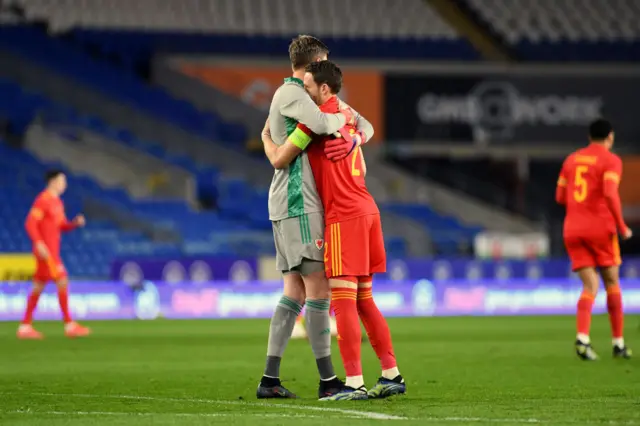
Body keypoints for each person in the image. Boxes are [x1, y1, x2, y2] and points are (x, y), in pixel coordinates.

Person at [262, 60, 405, 400]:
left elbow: (280, 158)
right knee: (365, 301)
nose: (303, 91)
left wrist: (267, 136)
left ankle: (353, 382)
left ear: (324, 89)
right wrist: (355, 137)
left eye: (308, 86)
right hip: (368, 210)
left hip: (343, 218)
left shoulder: (314, 124)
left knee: (341, 304)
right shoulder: (346, 115)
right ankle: (391, 374)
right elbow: (364, 127)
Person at [256, 35, 370, 400]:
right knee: (318, 289)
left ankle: (270, 380)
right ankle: (327, 381)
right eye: (323, 62)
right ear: (314, 61)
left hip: (293, 204)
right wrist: (346, 118)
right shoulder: (292, 94)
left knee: (294, 290)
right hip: (298, 204)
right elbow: (323, 124)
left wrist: (354, 134)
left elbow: (364, 126)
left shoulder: (305, 96)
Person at [556, 118, 632, 360]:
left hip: (572, 229)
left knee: (589, 286)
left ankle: (583, 339)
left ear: (589, 137)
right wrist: (621, 226)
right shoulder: (611, 161)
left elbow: (560, 196)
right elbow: (610, 193)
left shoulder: (571, 159)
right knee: (612, 282)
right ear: (610, 137)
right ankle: (618, 344)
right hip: (600, 228)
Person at [17, 170, 91, 339]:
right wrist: (38, 242)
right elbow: (30, 223)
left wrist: (74, 224)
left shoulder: (57, 202)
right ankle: (69, 325)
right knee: (62, 280)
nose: (64, 184)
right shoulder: (43, 200)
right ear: (52, 181)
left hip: (52, 251)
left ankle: (25, 326)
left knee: (38, 286)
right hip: (46, 252)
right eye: (61, 180)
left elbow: (61, 226)